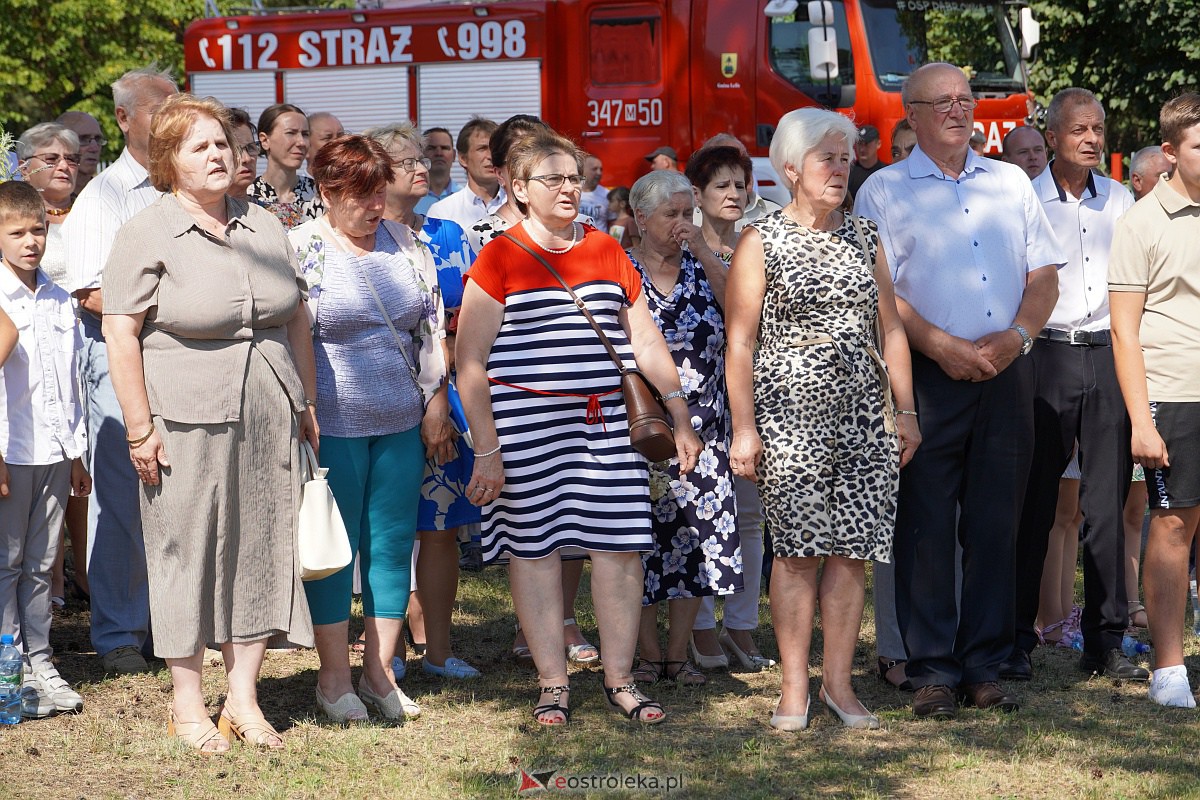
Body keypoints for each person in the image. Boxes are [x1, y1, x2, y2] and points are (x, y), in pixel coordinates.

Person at [456, 128, 701, 725]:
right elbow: (470, 363)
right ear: (520, 189)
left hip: (608, 422)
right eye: (554, 179)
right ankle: (552, 683)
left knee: (619, 548)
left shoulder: (606, 248)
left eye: (574, 177)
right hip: (525, 426)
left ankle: (621, 681)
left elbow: (646, 340)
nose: (569, 188)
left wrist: (679, 413)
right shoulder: (498, 256)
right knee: (535, 551)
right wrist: (486, 449)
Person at [102, 94, 318, 751]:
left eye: (222, 142)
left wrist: (306, 402)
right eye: (200, 146)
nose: (219, 155)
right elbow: (120, 332)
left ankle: (244, 700)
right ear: (170, 160)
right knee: (185, 551)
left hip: (269, 409)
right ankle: (188, 704)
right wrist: (140, 429)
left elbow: (296, 317)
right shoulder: (147, 231)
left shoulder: (263, 223)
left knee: (261, 547)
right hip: (183, 417)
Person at [855, 62, 1063, 719]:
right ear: (911, 115)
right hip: (927, 377)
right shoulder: (884, 190)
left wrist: (1019, 337)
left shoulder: (1010, 182)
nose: (957, 110)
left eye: (964, 99)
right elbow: (880, 293)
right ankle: (932, 671)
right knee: (924, 525)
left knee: (997, 523)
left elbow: (1044, 275)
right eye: (941, 101)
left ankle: (984, 666)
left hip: (1006, 373)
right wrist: (941, 345)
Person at [726, 107, 919, 731]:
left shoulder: (866, 236)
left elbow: (892, 329)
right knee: (797, 552)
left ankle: (838, 685)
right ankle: (793, 688)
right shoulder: (761, 240)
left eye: (845, 157)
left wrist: (905, 411)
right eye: (826, 159)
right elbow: (740, 343)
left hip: (865, 415)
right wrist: (744, 429)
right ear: (790, 169)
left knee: (851, 551)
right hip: (790, 417)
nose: (840, 169)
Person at [290, 134, 448, 723]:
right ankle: (334, 679)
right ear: (327, 192)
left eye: (380, 192)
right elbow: (290, 335)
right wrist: (303, 406)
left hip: (401, 420)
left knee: (391, 545)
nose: (376, 206)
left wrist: (436, 399)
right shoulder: (300, 247)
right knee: (334, 550)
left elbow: (430, 328)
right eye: (362, 195)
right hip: (331, 424)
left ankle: (379, 673)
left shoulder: (408, 243)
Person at [1007, 88, 1146, 683]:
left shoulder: (1121, 199)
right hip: (1046, 355)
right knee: (1034, 500)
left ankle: (1105, 640)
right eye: (1079, 129)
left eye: (1098, 129)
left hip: (1107, 355)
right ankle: (1015, 638)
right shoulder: (1024, 198)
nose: (1091, 139)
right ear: (1053, 136)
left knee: (1106, 505)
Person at [461, 115, 603, 665]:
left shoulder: (585, 232)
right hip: (518, 401)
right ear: (510, 174)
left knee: (577, 519)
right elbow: (469, 332)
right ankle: (534, 627)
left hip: (583, 409)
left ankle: (564, 620)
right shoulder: (483, 236)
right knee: (530, 525)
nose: (560, 180)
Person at [61, 64, 178, 676]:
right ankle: (119, 634)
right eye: (160, 110)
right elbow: (90, 293)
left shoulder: (184, 189)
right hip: (117, 360)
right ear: (124, 119)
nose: (173, 120)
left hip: (182, 360)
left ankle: (172, 626)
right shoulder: (103, 196)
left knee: (178, 494)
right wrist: (179, 307)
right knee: (124, 496)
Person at [365, 121, 482, 680]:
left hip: (443, 396)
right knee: (384, 529)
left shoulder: (448, 235)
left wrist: (443, 395)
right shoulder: (358, 237)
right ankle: (385, 651)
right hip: (374, 397)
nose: (422, 166)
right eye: (407, 160)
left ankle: (438, 649)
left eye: (421, 158)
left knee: (439, 529)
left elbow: (467, 324)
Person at [624, 170, 742, 688]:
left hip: (706, 426)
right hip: (642, 427)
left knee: (697, 542)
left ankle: (678, 655)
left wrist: (702, 250)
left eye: (686, 213)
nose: (681, 223)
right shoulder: (623, 269)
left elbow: (740, 310)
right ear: (640, 217)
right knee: (640, 543)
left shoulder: (704, 264)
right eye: (670, 214)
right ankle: (647, 656)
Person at [1109, 92, 1200, 708]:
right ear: (1169, 151)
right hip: (1174, 393)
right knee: (1172, 527)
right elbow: (1124, 330)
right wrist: (1142, 422)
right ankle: (1168, 670)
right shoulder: (1141, 222)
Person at [682, 145, 775, 673]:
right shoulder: (679, 244)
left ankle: (741, 624)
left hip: (751, 393)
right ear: (697, 194)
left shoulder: (756, 244)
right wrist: (697, 247)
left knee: (750, 515)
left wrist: (707, 252)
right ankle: (699, 626)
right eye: (722, 185)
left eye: (741, 184)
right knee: (697, 513)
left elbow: (746, 314)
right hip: (695, 400)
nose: (735, 194)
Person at [0, 180, 91, 718]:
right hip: (12, 450)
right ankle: (9, 666)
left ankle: (41, 660)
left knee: (42, 563)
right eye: (16, 233)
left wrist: (75, 453)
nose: (30, 241)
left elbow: (71, 382)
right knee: (6, 562)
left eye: (38, 230)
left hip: (55, 452)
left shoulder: (58, 297)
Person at [16, 122, 85, 612]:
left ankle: (80, 574)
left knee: (76, 470)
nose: (65, 166)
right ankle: (49, 583)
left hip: (78, 351)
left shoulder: (88, 214)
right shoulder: (15, 223)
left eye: (72, 158)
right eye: (51, 158)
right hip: (26, 358)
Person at [248, 103, 324, 228]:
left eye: (305, 134)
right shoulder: (248, 196)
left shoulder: (321, 194)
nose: (301, 142)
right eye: (290, 133)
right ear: (265, 140)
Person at [427, 117, 505, 233]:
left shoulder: (520, 207)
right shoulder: (442, 212)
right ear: (463, 158)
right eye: (482, 149)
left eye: (495, 149)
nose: (490, 156)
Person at [56, 111, 104, 195]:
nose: (94, 148)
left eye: (97, 139)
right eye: (83, 139)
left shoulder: (109, 195)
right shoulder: (40, 197)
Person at [415, 127, 459, 216]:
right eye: (431, 148)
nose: (439, 153)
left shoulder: (466, 198)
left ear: (454, 155)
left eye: (444, 148)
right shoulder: (411, 199)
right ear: (421, 155)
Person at [225, 108, 260, 202]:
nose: (247, 159)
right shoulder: (195, 210)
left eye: (251, 147)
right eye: (235, 150)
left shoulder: (269, 210)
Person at [848, 124, 884, 199]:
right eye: (859, 144)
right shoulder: (848, 172)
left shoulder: (886, 172)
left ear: (878, 144)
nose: (862, 149)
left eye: (866, 144)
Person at [578, 153, 609, 232]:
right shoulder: (572, 190)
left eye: (601, 169)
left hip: (599, 239)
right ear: (583, 170)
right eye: (594, 169)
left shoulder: (606, 194)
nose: (599, 173)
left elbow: (614, 222)